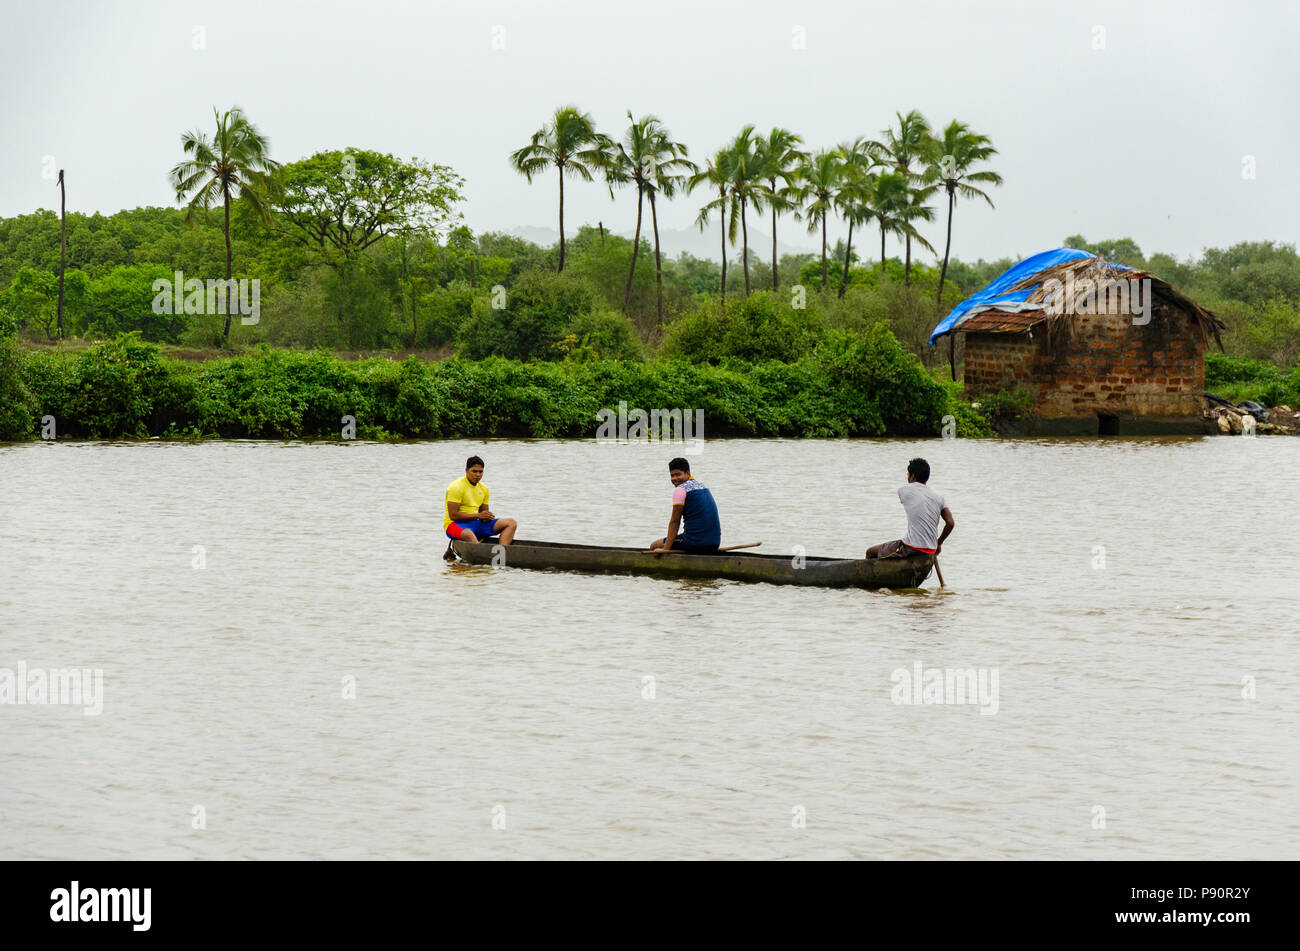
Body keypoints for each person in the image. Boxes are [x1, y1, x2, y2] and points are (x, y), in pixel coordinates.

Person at [865, 457, 953, 560]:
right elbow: (950, 523)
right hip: (931, 549)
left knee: (870, 552)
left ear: (912, 477)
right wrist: (939, 543)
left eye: (908, 474)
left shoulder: (904, 491)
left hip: (911, 547)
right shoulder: (939, 498)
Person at [648, 457, 721, 555]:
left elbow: (675, 521)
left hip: (695, 542)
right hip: (714, 543)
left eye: (678, 474)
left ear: (688, 473)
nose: (674, 479)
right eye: (672, 475)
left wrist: (665, 549)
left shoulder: (680, 489)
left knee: (654, 546)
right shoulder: (703, 486)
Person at [444, 455, 517, 545]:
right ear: (466, 470)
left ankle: (502, 551)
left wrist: (487, 517)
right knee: (468, 533)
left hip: (476, 523)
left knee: (511, 523)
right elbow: (453, 515)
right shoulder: (456, 487)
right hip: (455, 525)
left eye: (480, 472)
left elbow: (483, 515)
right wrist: (479, 515)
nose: (478, 475)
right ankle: (480, 552)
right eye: (474, 471)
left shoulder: (484, 489)